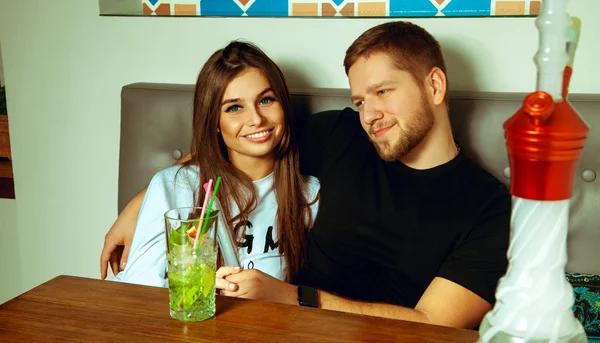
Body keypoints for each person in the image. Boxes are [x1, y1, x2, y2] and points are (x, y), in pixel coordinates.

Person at [102, 21, 510, 330]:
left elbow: (433, 323)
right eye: (359, 100)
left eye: (383, 92)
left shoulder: (489, 205)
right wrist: (143, 202)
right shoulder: (342, 135)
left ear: (435, 85)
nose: (369, 115)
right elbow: (242, 140)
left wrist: (294, 297)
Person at [111, 41, 320, 288]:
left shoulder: (310, 195)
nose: (256, 119)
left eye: (266, 100)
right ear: (215, 123)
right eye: (234, 107)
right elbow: (138, 291)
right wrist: (205, 290)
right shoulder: (177, 187)